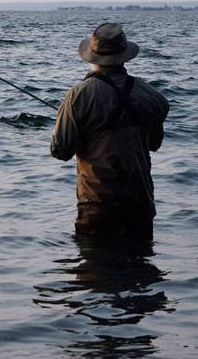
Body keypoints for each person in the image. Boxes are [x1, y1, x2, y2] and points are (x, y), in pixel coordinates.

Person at [51, 22, 169, 238]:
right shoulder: (151, 95)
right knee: (140, 269)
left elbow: (60, 151)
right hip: (140, 204)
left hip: (97, 207)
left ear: (92, 57)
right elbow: (155, 143)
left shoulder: (79, 95)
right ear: (124, 55)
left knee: (96, 268)